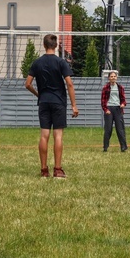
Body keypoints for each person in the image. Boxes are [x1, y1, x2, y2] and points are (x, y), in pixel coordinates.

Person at [25, 34, 79, 179]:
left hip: (44, 102)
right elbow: (69, 84)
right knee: (58, 135)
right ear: (56, 46)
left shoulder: (37, 62)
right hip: (58, 102)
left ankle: (44, 171)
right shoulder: (61, 62)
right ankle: (58, 170)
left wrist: (39, 95)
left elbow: (27, 84)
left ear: (44, 45)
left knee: (44, 135)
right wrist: (74, 105)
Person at [101, 71, 128, 152]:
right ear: (109, 78)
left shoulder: (120, 88)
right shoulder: (105, 88)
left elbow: (123, 100)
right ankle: (105, 147)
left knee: (120, 129)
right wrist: (106, 109)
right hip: (109, 108)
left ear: (116, 77)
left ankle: (123, 147)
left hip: (118, 109)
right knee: (108, 129)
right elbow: (103, 101)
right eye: (111, 76)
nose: (113, 78)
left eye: (114, 76)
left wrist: (123, 104)